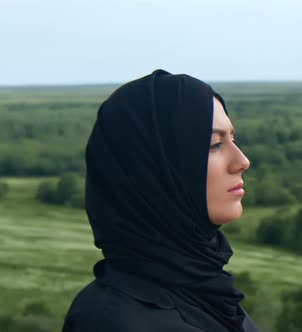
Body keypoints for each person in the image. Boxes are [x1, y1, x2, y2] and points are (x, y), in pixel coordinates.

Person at [62, 69, 258, 332]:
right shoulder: (116, 322)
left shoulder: (207, 293)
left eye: (232, 138)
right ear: (150, 169)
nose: (242, 162)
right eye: (214, 144)